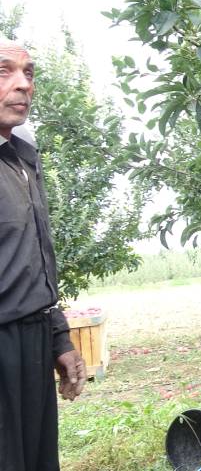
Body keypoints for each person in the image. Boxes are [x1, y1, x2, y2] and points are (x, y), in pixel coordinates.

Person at [0, 39, 87, 471]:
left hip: (32, 342)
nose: (22, 85)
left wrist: (58, 338)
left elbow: (33, 261)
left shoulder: (22, 156)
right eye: (4, 71)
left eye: (29, 73)